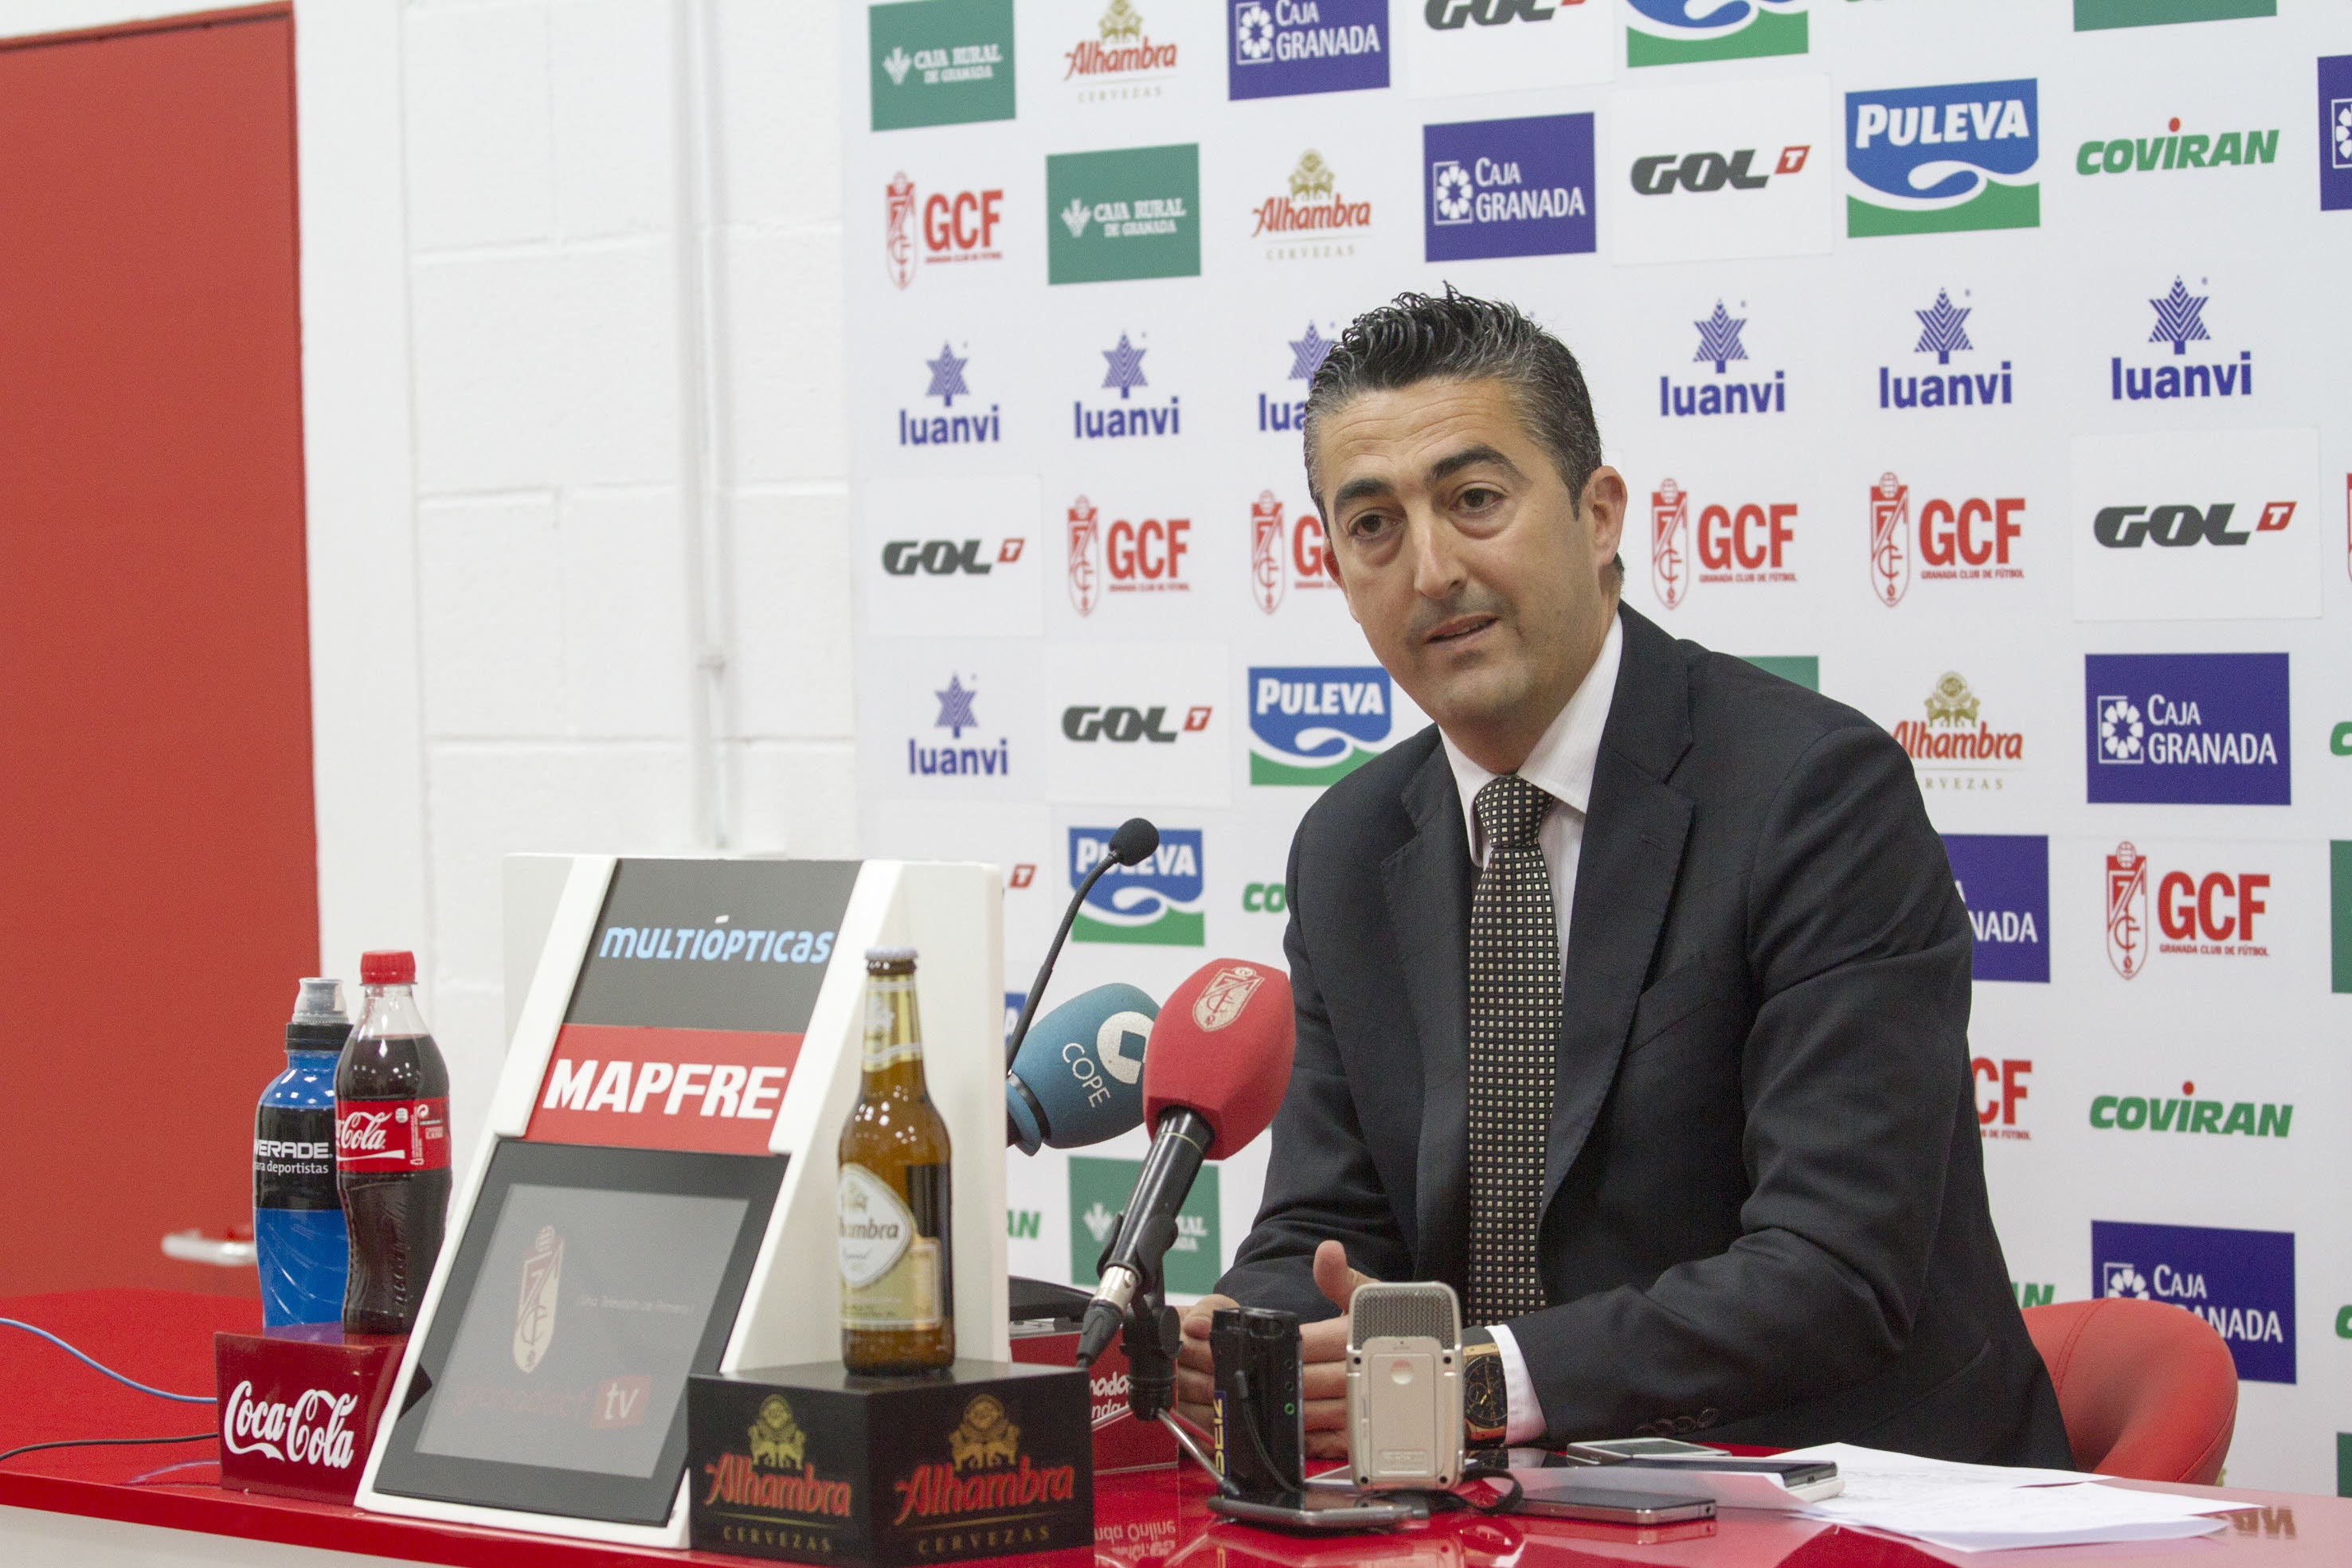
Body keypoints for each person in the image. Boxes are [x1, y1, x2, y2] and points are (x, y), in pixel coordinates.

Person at [1174, 288, 2070, 1468]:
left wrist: (1482, 1382)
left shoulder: (1813, 794)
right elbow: (1326, 1224)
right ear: (1336, 568)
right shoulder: (1349, 845)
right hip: (1501, 1502)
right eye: (1375, 525)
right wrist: (1249, 1339)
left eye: (1474, 500)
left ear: (1599, 515)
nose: (1430, 569)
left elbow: (1832, 1270)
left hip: (1834, 1492)